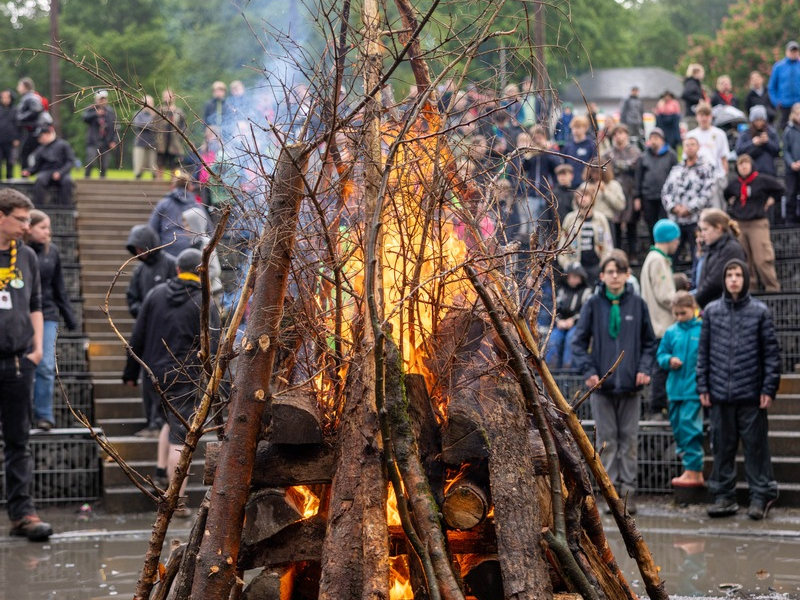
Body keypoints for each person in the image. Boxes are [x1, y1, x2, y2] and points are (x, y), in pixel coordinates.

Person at [122, 248, 220, 517]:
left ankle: (159, 471)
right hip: (184, 375)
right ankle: (175, 500)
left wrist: (130, 372)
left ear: (177, 269)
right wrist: (216, 383)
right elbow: (213, 345)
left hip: (153, 372)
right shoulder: (204, 300)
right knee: (182, 434)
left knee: (168, 421)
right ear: (203, 272)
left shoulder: (155, 294)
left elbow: (138, 334)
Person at [571, 252, 658, 514]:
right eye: (610, 271)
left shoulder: (638, 304)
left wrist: (644, 369)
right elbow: (578, 342)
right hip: (602, 388)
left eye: (620, 271)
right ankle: (611, 495)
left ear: (627, 274)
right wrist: (589, 371)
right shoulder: (593, 305)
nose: (615, 276)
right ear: (602, 276)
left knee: (629, 440)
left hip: (631, 386)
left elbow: (649, 343)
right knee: (606, 440)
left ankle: (628, 493)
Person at [697, 259, 780, 519]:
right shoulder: (710, 311)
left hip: (752, 395)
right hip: (720, 394)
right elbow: (703, 353)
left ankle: (760, 497)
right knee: (722, 448)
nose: (733, 279)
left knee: (756, 448)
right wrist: (703, 385)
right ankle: (723, 497)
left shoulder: (760, 311)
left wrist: (769, 387)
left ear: (745, 278)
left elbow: (771, 354)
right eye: (729, 275)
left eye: (738, 275)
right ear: (724, 279)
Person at [0, 189, 52, 541]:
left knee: (19, 440)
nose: (26, 225)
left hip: (19, 363)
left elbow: (36, 304)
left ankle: (23, 513)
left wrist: (36, 350)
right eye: (20, 219)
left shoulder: (28, 257)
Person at [23, 209, 77, 431]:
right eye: (42, 228)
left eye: (49, 228)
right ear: (30, 228)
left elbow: (59, 287)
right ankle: (21, 413)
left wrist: (70, 318)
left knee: (45, 365)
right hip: (21, 314)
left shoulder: (51, 252)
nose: (48, 232)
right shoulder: (20, 251)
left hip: (47, 313)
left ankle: (44, 414)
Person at [125, 224, 177, 437]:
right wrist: (144, 312)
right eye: (135, 249)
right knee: (148, 378)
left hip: (170, 332)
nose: (138, 253)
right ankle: (153, 423)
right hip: (147, 332)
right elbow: (132, 298)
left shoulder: (171, 264)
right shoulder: (139, 271)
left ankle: (164, 423)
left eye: (141, 248)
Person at [657, 291, 704, 488]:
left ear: (692, 309)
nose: (679, 317)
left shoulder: (702, 330)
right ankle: (688, 468)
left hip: (693, 389)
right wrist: (668, 360)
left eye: (682, 313)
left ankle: (695, 469)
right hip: (675, 389)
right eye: (676, 314)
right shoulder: (671, 332)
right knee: (678, 428)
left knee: (690, 426)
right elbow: (661, 354)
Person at [639, 219, 681, 420]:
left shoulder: (653, 258)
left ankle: (658, 407)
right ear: (670, 238)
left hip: (656, 322)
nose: (678, 243)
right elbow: (665, 294)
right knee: (660, 368)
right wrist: (684, 301)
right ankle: (657, 408)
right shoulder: (658, 260)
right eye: (677, 238)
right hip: (661, 324)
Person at [723, 154, 783, 292]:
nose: (743, 167)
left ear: (751, 165)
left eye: (746, 164)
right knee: (744, 260)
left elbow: (780, 189)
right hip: (739, 224)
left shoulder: (762, 180)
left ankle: (772, 289)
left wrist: (771, 200)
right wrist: (732, 202)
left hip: (757, 223)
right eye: (740, 164)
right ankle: (749, 290)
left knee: (762, 259)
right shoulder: (735, 184)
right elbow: (726, 194)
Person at [660, 133, 717, 261]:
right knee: (670, 259)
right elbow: (665, 191)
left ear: (698, 147)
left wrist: (690, 208)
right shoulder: (676, 169)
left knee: (699, 256)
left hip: (696, 221)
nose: (689, 147)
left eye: (692, 144)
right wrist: (674, 207)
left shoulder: (706, 168)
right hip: (676, 221)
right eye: (687, 145)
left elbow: (708, 191)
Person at [558, 181, 614, 286]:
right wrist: (568, 265)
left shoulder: (601, 219)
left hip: (597, 266)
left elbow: (608, 244)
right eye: (580, 196)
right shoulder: (570, 219)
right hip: (576, 267)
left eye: (586, 195)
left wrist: (604, 264)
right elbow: (562, 247)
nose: (583, 198)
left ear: (592, 197)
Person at [148, 169, 210, 257]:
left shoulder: (164, 204)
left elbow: (152, 228)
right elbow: (208, 228)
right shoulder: (197, 206)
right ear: (190, 187)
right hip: (192, 249)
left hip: (167, 248)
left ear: (173, 186)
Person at [693, 208, 746, 309]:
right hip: (710, 307)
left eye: (705, 229)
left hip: (725, 309)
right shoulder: (712, 247)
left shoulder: (731, 248)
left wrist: (694, 301)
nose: (702, 234)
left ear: (718, 228)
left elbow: (715, 282)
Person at [602, 124, 642, 257]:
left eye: (621, 133)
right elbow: (604, 169)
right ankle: (616, 254)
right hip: (614, 192)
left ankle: (634, 254)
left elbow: (637, 170)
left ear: (626, 134)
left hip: (631, 191)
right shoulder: (608, 153)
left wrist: (638, 195)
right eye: (615, 134)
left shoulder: (635, 151)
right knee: (615, 226)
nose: (618, 136)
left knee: (632, 225)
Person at [635, 128, 678, 242]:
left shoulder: (671, 155)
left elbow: (676, 175)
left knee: (665, 222)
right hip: (648, 195)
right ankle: (653, 244)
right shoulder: (643, 157)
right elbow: (638, 177)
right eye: (651, 138)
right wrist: (637, 197)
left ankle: (667, 244)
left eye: (656, 138)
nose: (654, 141)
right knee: (650, 223)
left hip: (665, 196)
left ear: (662, 140)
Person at [545, 262, 592, 369]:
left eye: (575, 277)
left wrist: (573, 321)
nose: (572, 280)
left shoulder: (587, 292)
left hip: (578, 325)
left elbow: (585, 311)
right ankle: (551, 370)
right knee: (553, 339)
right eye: (570, 277)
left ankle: (569, 370)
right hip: (561, 324)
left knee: (571, 339)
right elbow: (555, 309)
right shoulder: (561, 290)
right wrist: (558, 321)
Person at [21, 126, 75, 205]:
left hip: (62, 170)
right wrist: (29, 171)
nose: (39, 139)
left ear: (47, 134)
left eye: (41, 137)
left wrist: (60, 172)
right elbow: (37, 166)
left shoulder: (63, 145)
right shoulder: (40, 149)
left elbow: (70, 161)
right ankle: (40, 207)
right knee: (39, 180)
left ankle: (65, 208)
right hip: (46, 171)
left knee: (67, 182)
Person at [687, 103, 730, 202]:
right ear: (697, 117)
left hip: (715, 178)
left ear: (711, 117)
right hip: (696, 178)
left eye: (707, 115)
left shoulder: (720, 134)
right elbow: (686, 158)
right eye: (701, 115)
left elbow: (724, 158)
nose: (704, 119)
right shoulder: (691, 135)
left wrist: (724, 177)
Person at [734, 105, 780, 176]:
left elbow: (777, 151)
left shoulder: (771, 132)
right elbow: (739, 151)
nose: (759, 123)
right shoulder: (745, 133)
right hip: (751, 173)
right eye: (756, 120)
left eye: (761, 119)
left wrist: (767, 141)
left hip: (769, 171)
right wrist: (752, 143)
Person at [82, 90, 118, 178]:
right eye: (100, 99)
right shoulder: (91, 109)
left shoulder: (110, 111)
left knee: (104, 165)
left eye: (104, 99)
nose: (102, 101)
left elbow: (115, 127)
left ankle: (102, 183)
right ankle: (86, 179)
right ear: (96, 100)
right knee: (91, 161)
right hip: (93, 141)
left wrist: (113, 140)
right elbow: (84, 118)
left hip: (106, 142)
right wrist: (96, 114)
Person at [14, 77, 47, 170]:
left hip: (34, 131)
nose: (18, 88)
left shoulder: (31, 97)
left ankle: (26, 175)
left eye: (19, 86)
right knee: (26, 153)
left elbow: (36, 109)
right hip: (31, 130)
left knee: (25, 152)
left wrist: (21, 117)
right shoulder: (28, 97)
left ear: (25, 86)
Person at [154, 89, 188, 179]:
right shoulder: (159, 111)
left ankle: (174, 185)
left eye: (168, 96)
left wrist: (180, 138)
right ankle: (158, 183)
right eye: (164, 96)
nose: (166, 98)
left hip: (175, 144)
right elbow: (154, 126)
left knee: (175, 166)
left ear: (174, 97)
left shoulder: (179, 112)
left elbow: (184, 127)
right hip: (161, 143)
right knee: (160, 164)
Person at [768, 41, 800, 130]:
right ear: (787, 52)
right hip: (784, 104)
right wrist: (776, 102)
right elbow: (771, 87)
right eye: (791, 51)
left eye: (795, 51)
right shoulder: (778, 67)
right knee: (784, 127)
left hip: (798, 103)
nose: (793, 53)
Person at [562, 115, 596, 187]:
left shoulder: (591, 145)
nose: (575, 130)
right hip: (570, 184)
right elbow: (564, 164)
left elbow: (595, 163)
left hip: (586, 185)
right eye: (574, 127)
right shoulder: (568, 146)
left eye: (578, 127)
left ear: (585, 128)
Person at [131, 95, 158, 179]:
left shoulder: (156, 115)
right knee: (138, 165)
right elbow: (138, 125)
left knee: (153, 165)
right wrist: (151, 125)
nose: (148, 105)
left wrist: (149, 124)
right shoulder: (138, 114)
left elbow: (158, 126)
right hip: (140, 142)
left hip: (152, 143)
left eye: (150, 103)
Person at [783, 103, 800, 223]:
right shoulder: (788, 130)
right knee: (791, 196)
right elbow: (785, 150)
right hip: (791, 170)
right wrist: (791, 163)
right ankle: (790, 223)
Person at [0, 89, 19, 180]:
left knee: (10, 162)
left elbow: (18, 126)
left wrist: (17, 138)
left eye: (7, 97)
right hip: (0, 140)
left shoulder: (15, 110)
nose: (5, 99)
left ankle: (9, 181)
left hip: (10, 141)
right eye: (3, 97)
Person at [681, 64, 708, 128]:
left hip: (695, 114)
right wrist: (698, 100)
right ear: (696, 72)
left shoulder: (695, 83)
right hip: (692, 115)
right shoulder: (691, 83)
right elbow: (685, 95)